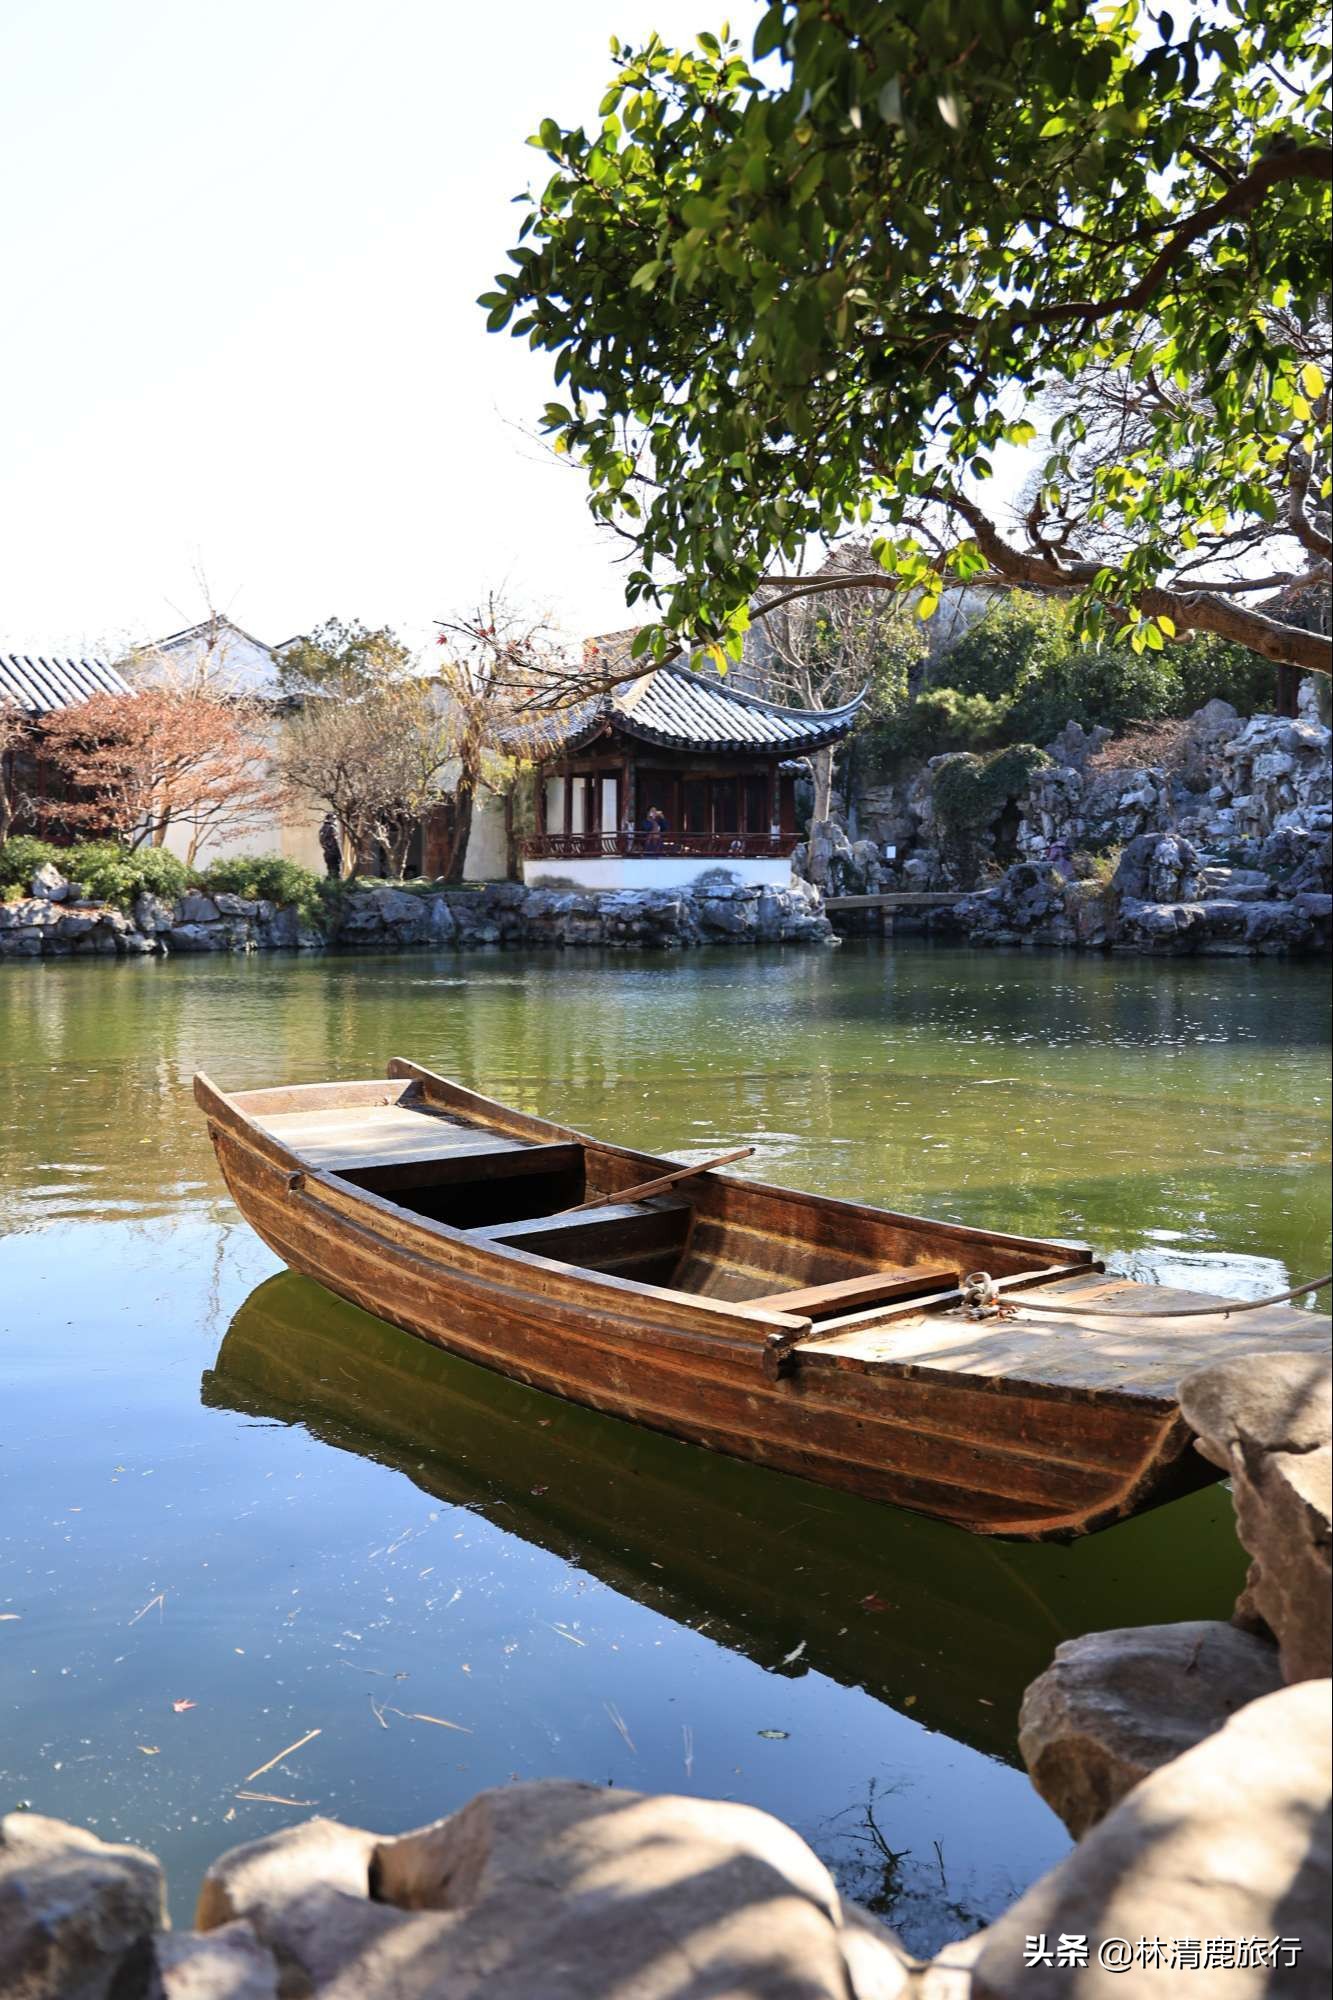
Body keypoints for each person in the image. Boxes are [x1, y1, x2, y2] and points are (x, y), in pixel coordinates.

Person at [319, 813, 343, 879]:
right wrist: (340, 855)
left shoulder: (322, 828)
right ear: (330, 819)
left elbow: (322, 841)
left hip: (327, 853)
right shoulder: (332, 828)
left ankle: (329, 882)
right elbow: (336, 842)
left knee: (330, 871)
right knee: (336, 873)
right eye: (334, 818)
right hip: (333, 853)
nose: (335, 820)